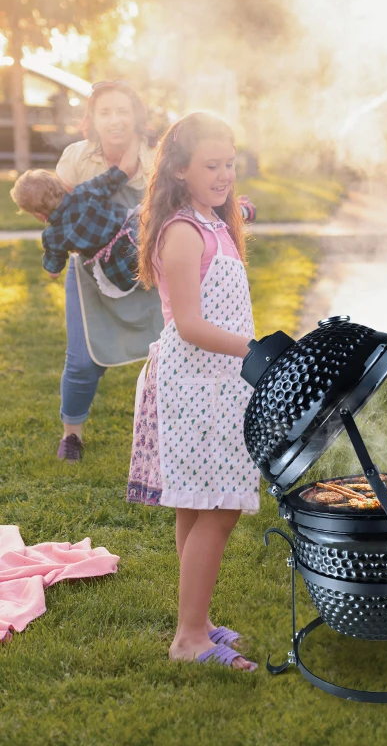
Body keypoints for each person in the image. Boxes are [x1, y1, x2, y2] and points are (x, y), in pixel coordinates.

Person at [127, 112, 261, 670]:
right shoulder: (183, 232)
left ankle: (197, 621)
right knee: (220, 507)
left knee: (197, 502)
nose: (224, 174)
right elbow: (188, 324)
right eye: (211, 165)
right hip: (192, 386)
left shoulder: (216, 225)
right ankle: (188, 640)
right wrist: (254, 349)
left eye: (229, 163)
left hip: (218, 385)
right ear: (180, 171)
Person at [54, 80, 162, 463]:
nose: (115, 120)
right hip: (89, 274)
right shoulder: (77, 158)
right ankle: (72, 435)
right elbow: (57, 213)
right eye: (105, 112)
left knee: (168, 352)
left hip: (149, 269)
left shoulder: (157, 157)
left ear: (136, 115)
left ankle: (168, 430)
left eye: (122, 111)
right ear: (92, 119)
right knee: (83, 359)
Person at [11, 138, 141, 294]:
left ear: (39, 215)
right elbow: (123, 171)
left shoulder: (53, 237)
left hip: (121, 269)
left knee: (143, 280)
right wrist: (136, 138)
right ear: (59, 185)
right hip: (140, 235)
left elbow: (54, 273)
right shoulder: (86, 192)